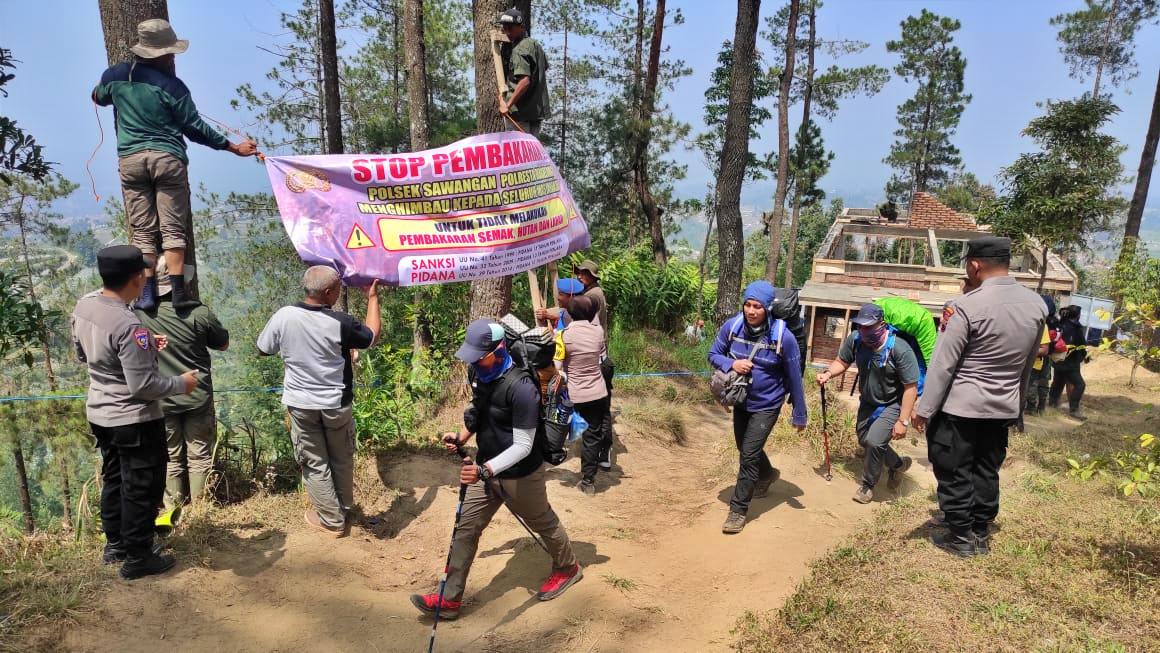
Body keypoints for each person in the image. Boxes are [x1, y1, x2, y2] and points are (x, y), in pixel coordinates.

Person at [411, 319, 582, 620]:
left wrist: (485, 470)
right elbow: (479, 409)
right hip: (486, 467)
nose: (475, 359)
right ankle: (449, 598)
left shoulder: (523, 387)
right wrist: (462, 436)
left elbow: (523, 446)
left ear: (498, 348)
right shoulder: (477, 371)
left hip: (521, 472)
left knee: (542, 521)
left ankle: (568, 567)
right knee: (466, 528)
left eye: (480, 354)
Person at [93, 19, 258, 311]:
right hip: (167, 159)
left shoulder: (116, 75)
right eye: (170, 53)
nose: (172, 58)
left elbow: (98, 96)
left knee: (143, 231)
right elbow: (194, 128)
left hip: (130, 160)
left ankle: (145, 295)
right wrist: (233, 147)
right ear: (161, 55)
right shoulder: (173, 86)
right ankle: (179, 292)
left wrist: (116, 94)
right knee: (172, 229)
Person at [913, 236, 1046, 557]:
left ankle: (960, 537)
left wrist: (924, 408)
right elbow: (1027, 365)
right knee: (986, 468)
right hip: (1002, 407)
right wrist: (1017, 404)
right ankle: (980, 531)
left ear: (975, 265)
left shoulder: (964, 307)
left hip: (960, 408)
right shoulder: (1036, 305)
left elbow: (943, 365)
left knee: (954, 468)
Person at [72, 245, 199, 579]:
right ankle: (139, 556)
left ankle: (116, 545)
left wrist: (139, 351)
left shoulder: (85, 306)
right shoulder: (130, 325)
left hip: (100, 413)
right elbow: (142, 387)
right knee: (141, 485)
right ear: (136, 278)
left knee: (114, 478)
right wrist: (180, 384)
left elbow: (84, 354)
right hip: (134, 420)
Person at [257, 266, 380, 538]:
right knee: (342, 456)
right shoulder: (340, 323)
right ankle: (343, 510)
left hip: (301, 405)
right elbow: (371, 336)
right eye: (338, 289)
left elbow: (263, 348)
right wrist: (372, 298)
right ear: (328, 293)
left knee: (314, 462)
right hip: (336, 403)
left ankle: (331, 518)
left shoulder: (284, 316)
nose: (339, 293)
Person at [708, 281, 807, 534]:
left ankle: (738, 510)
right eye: (748, 305)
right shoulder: (733, 327)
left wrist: (799, 413)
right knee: (745, 447)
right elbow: (713, 354)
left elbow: (795, 376)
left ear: (768, 309)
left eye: (758, 307)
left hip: (767, 403)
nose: (751, 311)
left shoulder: (783, 337)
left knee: (748, 454)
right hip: (741, 399)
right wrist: (733, 364)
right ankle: (767, 474)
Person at [134, 262, 229, 507]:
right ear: (180, 282)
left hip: (161, 397)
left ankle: (174, 511)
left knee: (170, 457)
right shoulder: (198, 313)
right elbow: (222, 343)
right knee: (199, 455)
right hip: (196, 394)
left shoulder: (139, 315)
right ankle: (202, 509)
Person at [817, 303, 918, 504]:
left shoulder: (899, 349)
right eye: (861, 326)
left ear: (882, 324)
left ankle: (867, 486)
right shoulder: (856, 340)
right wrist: (828, 373)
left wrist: (903, 421)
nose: (864, 331)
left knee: (874, 441)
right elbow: (843, 361)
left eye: (869, 327)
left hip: (892, 403)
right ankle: (897, 465)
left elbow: (910, 387)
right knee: (865, 440)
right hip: (868, 401)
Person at [554, 295, 611, 495]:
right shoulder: (598, 332)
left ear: (569, 313)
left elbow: (557, 368)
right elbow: (602, 357)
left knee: (559, 427)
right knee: (592, 435)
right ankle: (588, 481)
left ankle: (553, 458)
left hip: (575, 393)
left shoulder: (563, 336)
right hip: (597, 392)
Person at [497, 8, 550, 137]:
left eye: (510, 28)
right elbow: (545, 67)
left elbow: (525, 81)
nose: (507, 32)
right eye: (504, 28)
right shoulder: (535, 45)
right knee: (531, 154)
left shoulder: (519, 49)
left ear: (521, 27)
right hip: (535, 112)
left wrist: (508, 105)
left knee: (517, 154)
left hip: (519, 115)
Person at [1048, 304, 1088, 421]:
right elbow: (1081, 346)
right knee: (1080, 385)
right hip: (1070, 363)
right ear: (1077, 316)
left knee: (1058, 382)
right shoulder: (1076, 328)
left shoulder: (1060, 324)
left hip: (1058, 360)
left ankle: (1052, 405)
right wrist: (1085, 356)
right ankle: (1074, 410)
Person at [1024, 295, 1057, 417]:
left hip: (1040, 357)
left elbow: (1045, 348)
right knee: (1040, 382)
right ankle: (1039, 407)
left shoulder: (1045, 323)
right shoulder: (1053, 321)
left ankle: (1035, 407)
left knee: (1035, 383)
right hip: (1042, 357)